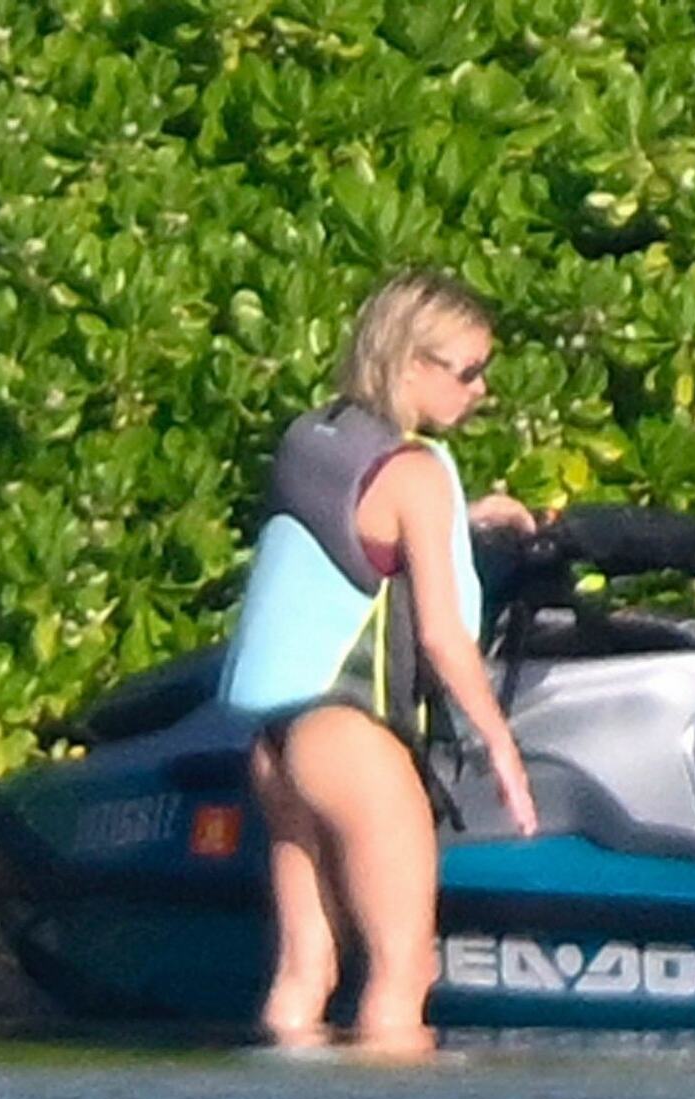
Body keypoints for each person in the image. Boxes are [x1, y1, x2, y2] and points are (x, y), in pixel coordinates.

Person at [217, 271, 540, 1053]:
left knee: (305, 971)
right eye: (467, 371)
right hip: (351, 743)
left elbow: (359, 534)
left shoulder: (314, 438)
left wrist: (464, 520)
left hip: (275, 747)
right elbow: (441, 637)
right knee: (403, 971)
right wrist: (501, 746)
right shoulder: (416, 473)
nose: (480, 389)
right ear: (410, 363)